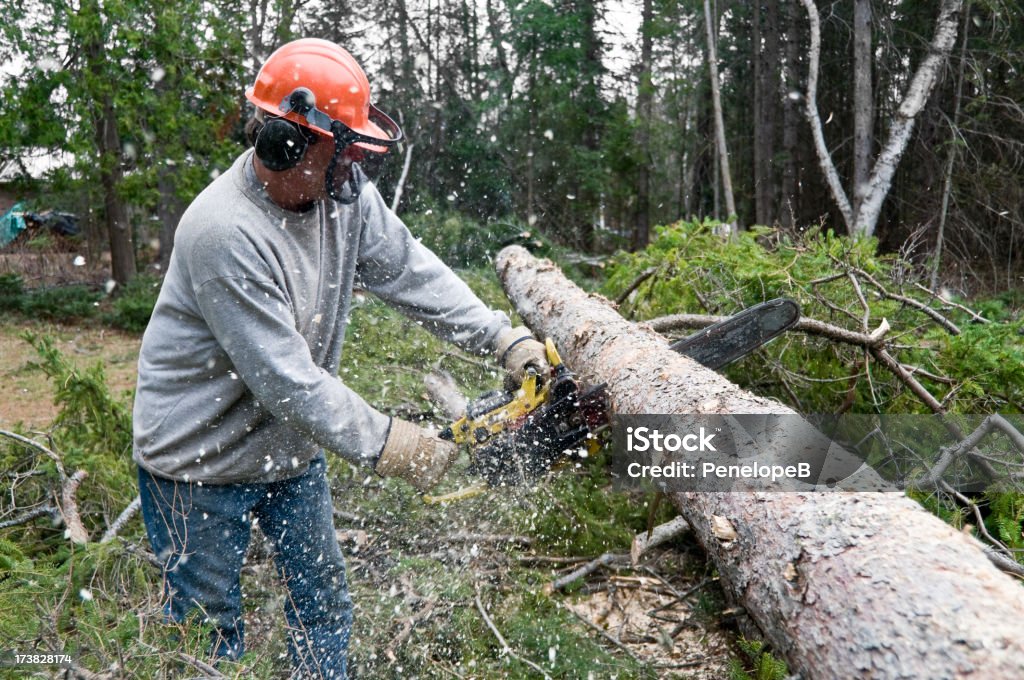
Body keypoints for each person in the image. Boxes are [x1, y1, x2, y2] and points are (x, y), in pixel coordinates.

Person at [132, 37, 548, 678]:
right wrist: (391, 443)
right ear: (287, 144)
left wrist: (502, 338)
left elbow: (412, 274)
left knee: (323, 611)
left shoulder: (339, 195)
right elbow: (286, 380)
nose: (354, 161)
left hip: (288, 453)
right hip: (196, 465)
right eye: (343, 146)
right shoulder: (223, 232)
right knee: (208, 641)